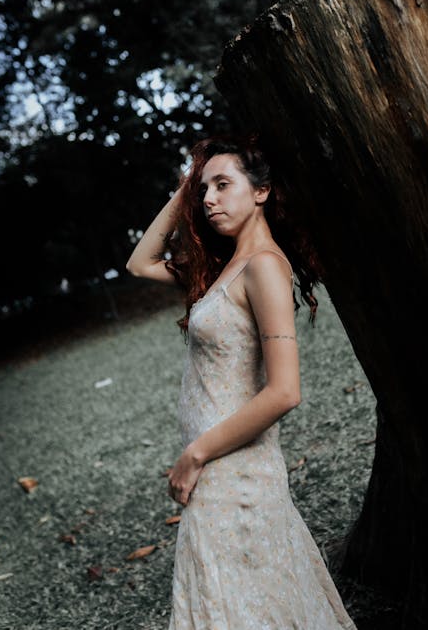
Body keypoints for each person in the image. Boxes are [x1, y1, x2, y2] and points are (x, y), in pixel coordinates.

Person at [126, 136, 356, 629]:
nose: (208, 199)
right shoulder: (218, 270)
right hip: (217, 475)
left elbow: (285, 390)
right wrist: (186, 187)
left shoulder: (265, 268)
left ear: (261, 193)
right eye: (203, 190)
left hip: (235, 474)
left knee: (250, 608)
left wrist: (195, 454)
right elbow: (140, 263)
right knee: (243, 607)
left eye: (223, 185)